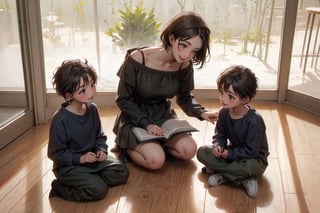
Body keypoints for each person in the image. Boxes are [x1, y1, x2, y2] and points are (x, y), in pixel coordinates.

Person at [112, 11, 217, 170]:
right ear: (172, 38)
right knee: (156, 161)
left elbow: (185, 97)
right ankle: (125, 146)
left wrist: (202, 113)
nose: (187, 55)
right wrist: (146, 124)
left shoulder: (185, 65)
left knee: (189, 151)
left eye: (194, 50)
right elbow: (123, 100)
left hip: (162, 115)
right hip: (135, 117)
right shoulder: (138, 58)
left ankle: (157, 143)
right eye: (184, 45)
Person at [48, 59, 129, 202]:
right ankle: (60, 187)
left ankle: (89, 179)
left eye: (92, 85)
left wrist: (102, 150)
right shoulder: (60, 120)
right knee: (98, 190)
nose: (91, 92)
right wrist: (80, 158)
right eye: (83, 90)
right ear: (69, 95)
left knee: (121, 172)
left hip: (92, 161)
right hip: (69, 166)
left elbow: (99, 136)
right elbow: (55, 153)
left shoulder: (92, 109)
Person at [197, 65, 269, 198]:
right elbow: (220, 135)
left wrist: (229, 154)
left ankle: (224, 175)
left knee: (249, 166)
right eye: (221, 93)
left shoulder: (255, 121)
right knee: (202, 152)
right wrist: (218, 147)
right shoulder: (224, 112)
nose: (223, 99)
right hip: (232, 154)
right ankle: (241, 178)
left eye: (230, 96)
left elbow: (252, 152)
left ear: (245, 99)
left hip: (253, 160)